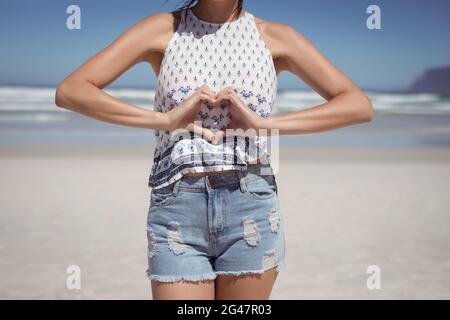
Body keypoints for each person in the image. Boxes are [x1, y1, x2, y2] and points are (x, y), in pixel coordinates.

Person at [55, 0, 373, 300]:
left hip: (251, 202)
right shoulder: (163, 29)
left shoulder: (277, 37)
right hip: (177, 205)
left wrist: (263, 124)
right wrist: (165, 119)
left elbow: (357, 105)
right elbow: (72, 90)